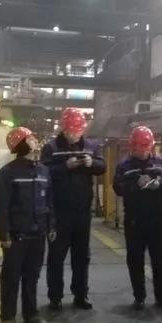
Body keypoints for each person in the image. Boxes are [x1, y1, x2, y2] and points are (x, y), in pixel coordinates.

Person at [42, 108, 106, 310]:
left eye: (78, 131)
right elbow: (43, 172)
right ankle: (55, 297)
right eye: (70, 131)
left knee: (81, 256)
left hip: (82, 213)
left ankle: (80, 294)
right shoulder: (51, 148)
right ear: (63, 128)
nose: (74, 135)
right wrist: (64, 167)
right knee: (56, 257)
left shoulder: (91, 146)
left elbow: (102, 167)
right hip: (58, 213)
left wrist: (91, 163)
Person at [0, 127, 55, 323]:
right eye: (31, 138)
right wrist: (3, 233)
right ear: (22, 145)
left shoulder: (44, 171)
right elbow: (2, 206)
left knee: (32, 276)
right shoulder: (8, 172)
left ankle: (31, 314)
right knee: (11, 278)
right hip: (16, 236)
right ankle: (7, 318)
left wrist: (51, 225)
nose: (35, 140)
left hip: (38, 234)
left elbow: (49, 202)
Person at [113, 126, 162, 310]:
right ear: (132, 147)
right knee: (135, 260)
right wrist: (136, 185)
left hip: (157, 220)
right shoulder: (124, 167)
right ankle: (139, 297)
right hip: (135, 220)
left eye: (145, 148)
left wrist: (159, 185)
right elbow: (117, 187)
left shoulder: (160, 164)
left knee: (160, 260)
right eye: (138, 148)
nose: (142, 151)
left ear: (151, 146)